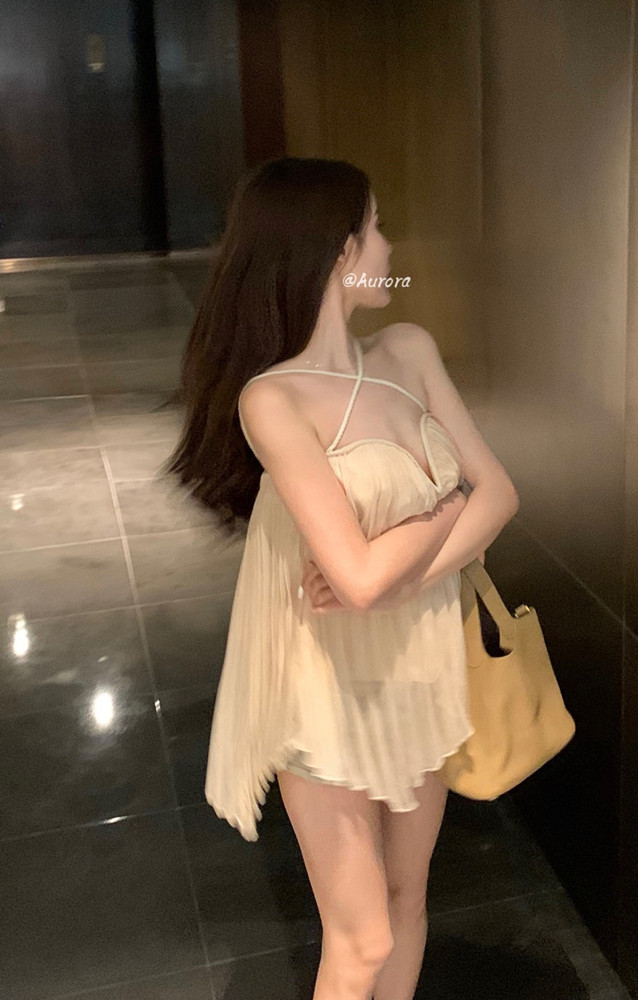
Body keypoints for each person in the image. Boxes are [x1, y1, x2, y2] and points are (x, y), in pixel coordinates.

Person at [164, 157, 519, 1000]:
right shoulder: (273, 399)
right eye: (376, 226)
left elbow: (501, 493)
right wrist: (445, 511)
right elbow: (357, 581)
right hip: (323, 685)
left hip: (420, 666)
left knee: (406, 901)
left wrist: (404, 571)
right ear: (337, 249)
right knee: (360, 942)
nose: (389, 248)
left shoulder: (408, 351)